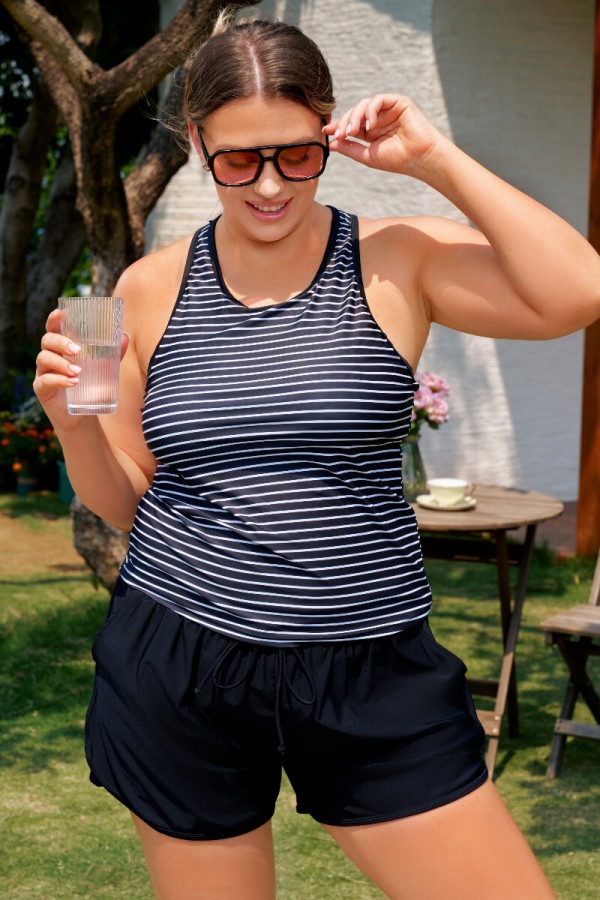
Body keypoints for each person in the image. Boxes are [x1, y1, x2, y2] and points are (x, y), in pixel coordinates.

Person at [34, 15, 600, 900]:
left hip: (370, 665)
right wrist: (74, 425)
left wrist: (434, 158)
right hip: (181, 658)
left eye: (296, 154)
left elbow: (578, 290)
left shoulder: (394, 258)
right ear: (198, 142)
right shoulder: (142, 289)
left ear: (329, 132)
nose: (269, 185)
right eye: (238, 160)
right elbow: (131, 502)